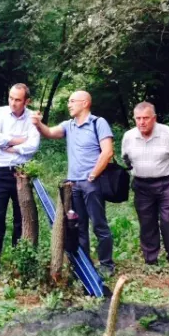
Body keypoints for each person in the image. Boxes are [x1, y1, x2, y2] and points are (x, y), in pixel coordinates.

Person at [32, 90, 115, 276]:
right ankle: (85, 266)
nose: (69, 104)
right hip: (73, 185)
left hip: (92, 184)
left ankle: (107, 265)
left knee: (99, 224)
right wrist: (38, 123)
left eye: (72, 101)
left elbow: (108, 152)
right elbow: (50, 133)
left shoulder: (98, 123)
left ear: (85, 103)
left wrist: (93, 175)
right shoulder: (68, 125)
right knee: (79, 226)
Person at [0, 83, 40, 280]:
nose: (13, 103)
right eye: (11, 98)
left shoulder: (32, 118)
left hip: (22, 174)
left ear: (27, 101)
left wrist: (13, 146)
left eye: (18, 100)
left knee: (20, 219)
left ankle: (19, 261)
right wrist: (20, 140)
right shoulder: (0, 113)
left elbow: (34, 145)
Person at [122, 101, 169, 267]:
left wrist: (163, 172)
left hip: (166, 183)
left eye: (146, 118)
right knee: (146, 221)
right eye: (138, 118)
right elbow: (126, 159)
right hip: (141, 185)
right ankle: (150, 259)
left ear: (154, 118)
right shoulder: (129, 136)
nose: (142, 122)